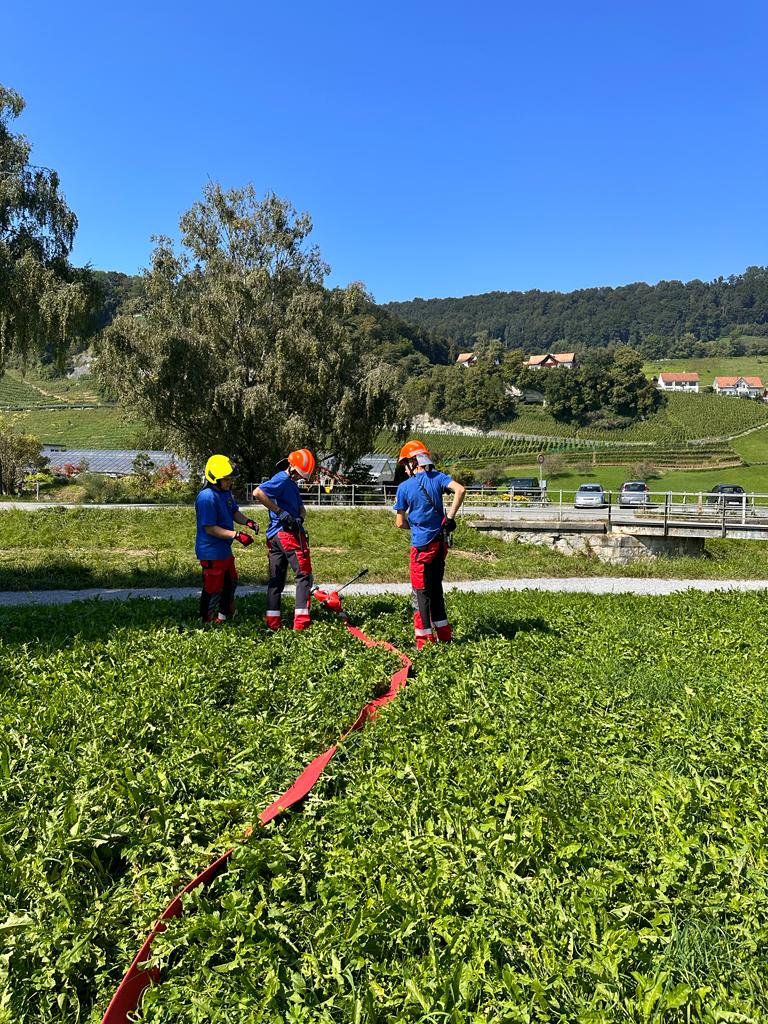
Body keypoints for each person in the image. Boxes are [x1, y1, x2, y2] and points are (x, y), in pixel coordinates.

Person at [393, 440, 466, 649]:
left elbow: (399, 523)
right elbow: (460, 490)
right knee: (435, 590)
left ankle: (424, 642)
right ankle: (445, 637)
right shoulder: (438, 478)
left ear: (412, 462)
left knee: (421, 594)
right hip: (440, 545)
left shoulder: (404, 488)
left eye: (404, 464)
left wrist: (416, 526)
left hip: (421, 548)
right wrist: (449, 518)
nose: (404, 470)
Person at [253, 448, 315, 631]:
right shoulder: (281, 479)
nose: (300, 477)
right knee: (304, 575)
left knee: (276, 581)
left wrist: (299, 518)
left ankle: (273, 623)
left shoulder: (292, 484)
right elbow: (258, 492)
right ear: (292, 467)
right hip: (287, 536)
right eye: (299, 474)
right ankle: (301, 624)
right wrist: (280, 512)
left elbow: (302, 509)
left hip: (275, 537)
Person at [195, 454, 259, 624]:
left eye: (231, 479)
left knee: (231, 582)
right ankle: (206, 620)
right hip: (210, 550)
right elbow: (210, 528)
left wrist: (248, 522)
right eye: (227, 479)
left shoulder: (226, 493)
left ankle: (224, 615)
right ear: (214, 479)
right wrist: (236, 535)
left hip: (224, 549)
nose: (230, 482)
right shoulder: (206, 497)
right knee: (213, 587)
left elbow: (234, 512)